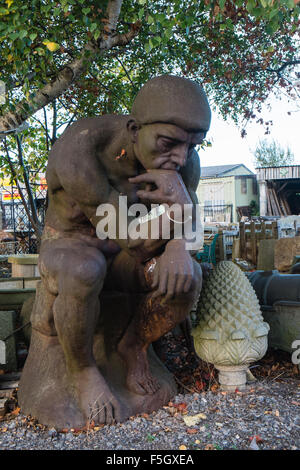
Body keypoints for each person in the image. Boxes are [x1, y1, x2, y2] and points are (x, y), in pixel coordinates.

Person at [33, 75, 211, 424]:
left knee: (188, 277)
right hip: (70, 249)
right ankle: (83, 370)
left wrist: (177, 247)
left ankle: (134, 345)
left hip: (125, 260)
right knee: (84, 270)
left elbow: (188, 223)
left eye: (192, 146)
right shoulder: (81, 152)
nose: (180, 157)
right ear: (134, 129)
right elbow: (130, 235)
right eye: (168, 143)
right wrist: (179, 212)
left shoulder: (184, 160)